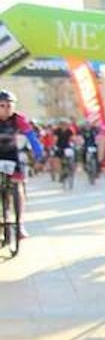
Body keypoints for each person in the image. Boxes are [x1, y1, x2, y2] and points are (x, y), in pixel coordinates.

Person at [0, 91, 46, 238]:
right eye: (2, 105)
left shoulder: (18, 119)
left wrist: (39, 152)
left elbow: (31, 136)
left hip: (11, 155)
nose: (6, 108)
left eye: (9, 105)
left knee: (17, 185)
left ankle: (19, 225)